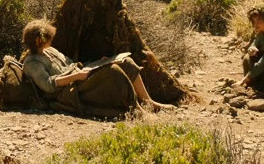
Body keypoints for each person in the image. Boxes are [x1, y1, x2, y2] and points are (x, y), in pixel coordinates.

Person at [21, 19, 173, 114]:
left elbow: (71, 64)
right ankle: (137, 109)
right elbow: (48, 86)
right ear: (39, 41)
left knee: (125, 62)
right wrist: (76, 76)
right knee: (112, 72)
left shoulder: (50, 51)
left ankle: (148, 101)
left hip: (79, 75)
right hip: (69, 90)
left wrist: (96, 63)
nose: (51, 40)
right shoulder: (32, 62)